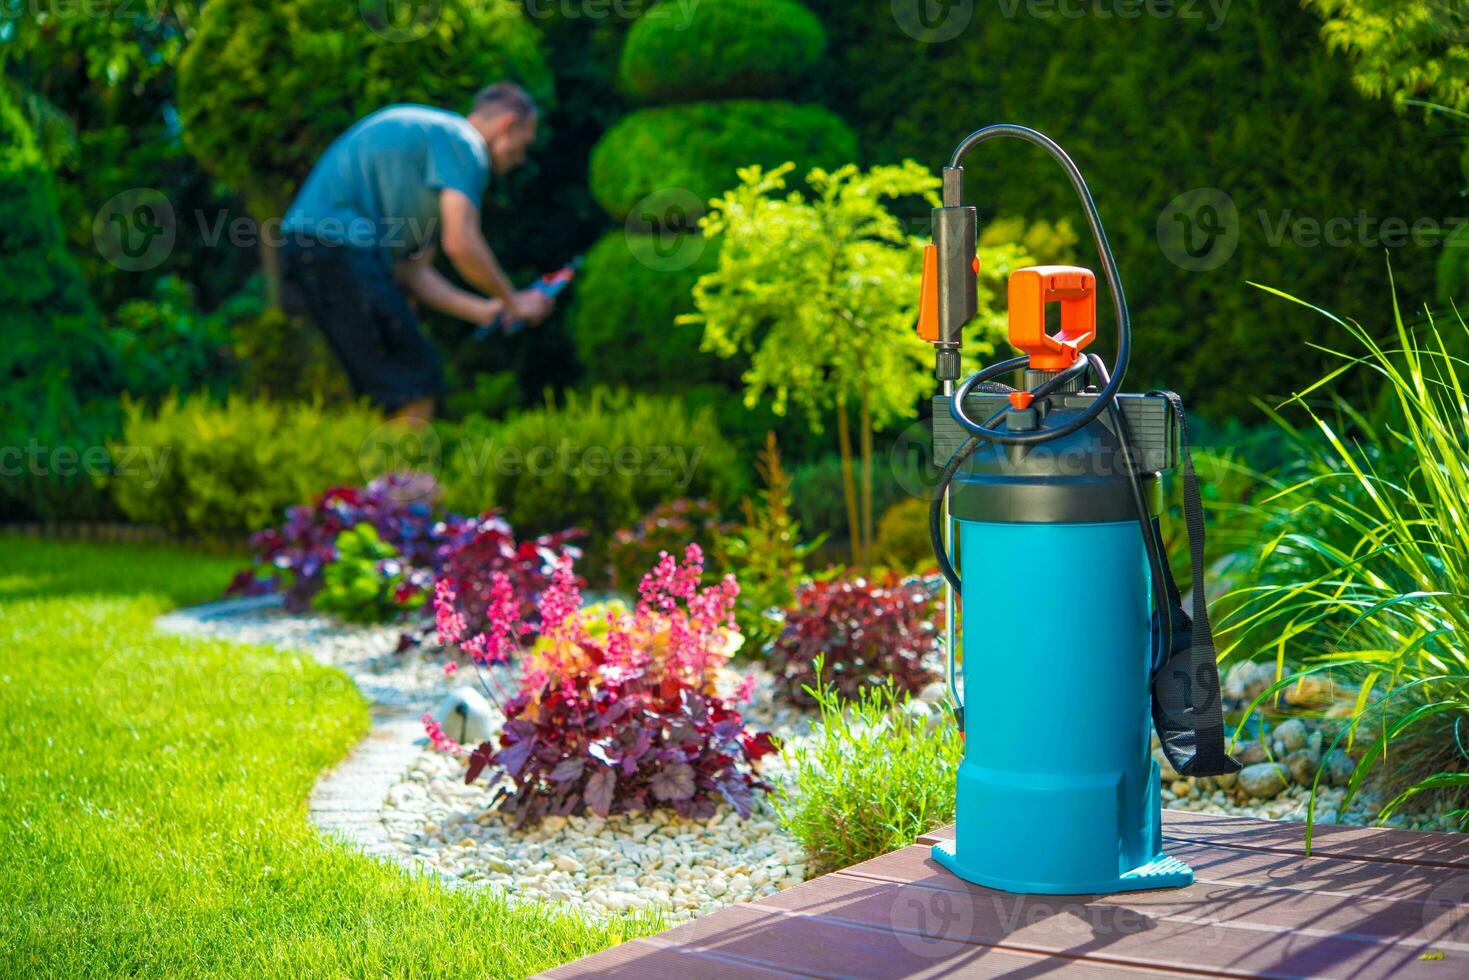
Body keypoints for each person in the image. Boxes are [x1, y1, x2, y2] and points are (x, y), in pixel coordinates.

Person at [280, 82, 553, 423]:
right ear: (507, 125)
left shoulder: (435, 150)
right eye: (523, 144)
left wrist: (485, 310)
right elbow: (461, 242)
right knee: (415, 385)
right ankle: (404, 476)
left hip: (317, 250)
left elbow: (414, 272)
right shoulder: (463, 146)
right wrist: (516, 301)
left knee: (394, 389)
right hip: (338, 247)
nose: (520, 159)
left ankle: (387, 474)